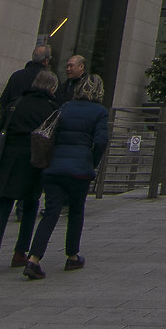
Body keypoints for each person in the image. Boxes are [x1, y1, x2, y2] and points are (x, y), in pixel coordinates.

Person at [24, 73, 110, 279]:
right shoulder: (100, 112)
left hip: (55, 167)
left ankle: (34, 258)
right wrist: (92, 161)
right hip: (80, 168)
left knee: (51, 212)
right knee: (76, 211)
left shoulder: (65, 107)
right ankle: (72, 255)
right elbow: (100, 140)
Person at [0, 71, 58, 276]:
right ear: (51, 89)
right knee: (30, 206)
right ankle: (19, 252)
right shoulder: (51, 108)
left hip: (9, 159)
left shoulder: (16, 103)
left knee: (3, 206)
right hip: (34, 160)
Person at [1, 40, 54, 112]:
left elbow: (3, 100)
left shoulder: (16, 75)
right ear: (46, 60)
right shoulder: (49, 79)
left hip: (13, 117)